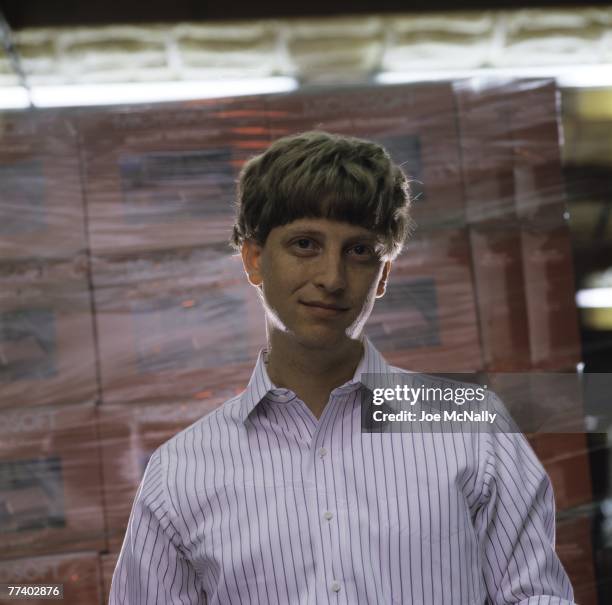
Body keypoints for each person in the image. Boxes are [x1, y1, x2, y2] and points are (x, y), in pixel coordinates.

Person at [109, 131, 575, 604]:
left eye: (358, 251)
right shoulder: (179, 474)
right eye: (305, 244)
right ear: (253, 259)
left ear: (384, 275)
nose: (331, 278)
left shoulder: (472, 426)